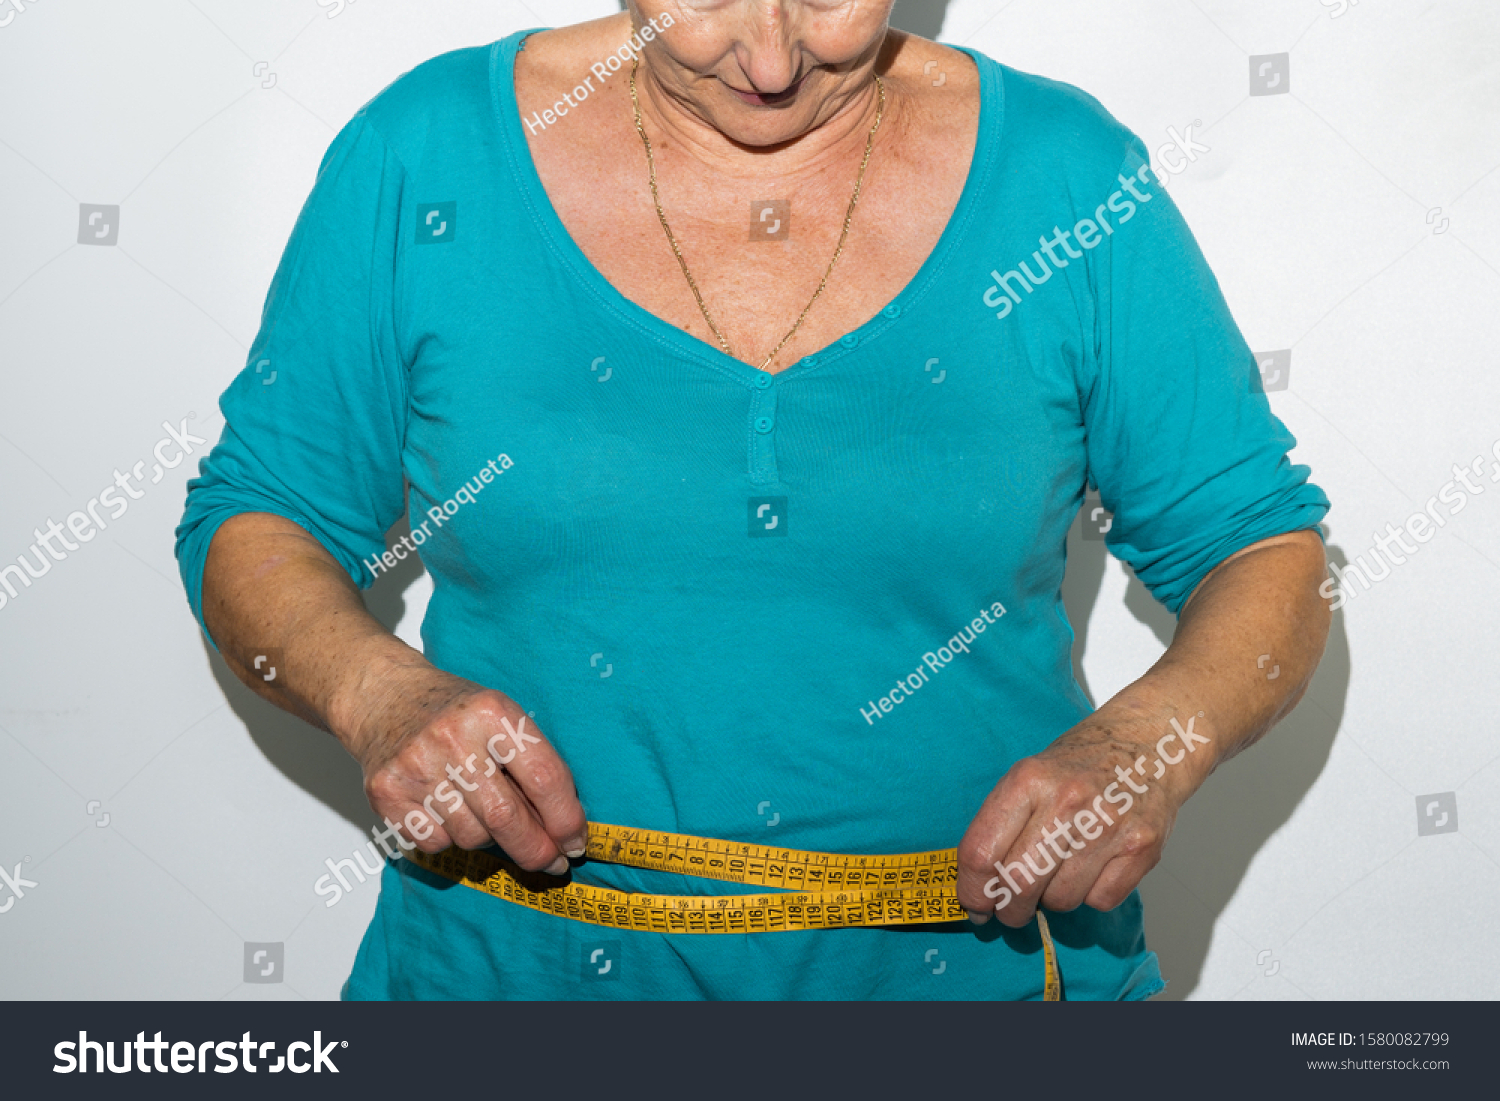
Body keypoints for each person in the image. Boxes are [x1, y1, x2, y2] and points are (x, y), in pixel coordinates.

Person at [175, 2, 1331, 1000]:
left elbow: (1257, 547)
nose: (772, 61)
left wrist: (1149, 746)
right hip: (506, 991)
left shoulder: (1066, 177)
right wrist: (373, 691)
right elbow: (260, 512)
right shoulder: (425, 155)